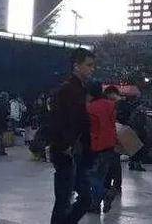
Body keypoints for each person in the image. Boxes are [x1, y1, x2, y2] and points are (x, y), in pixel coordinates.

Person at [48, 48, 95, 224]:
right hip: (66, 151)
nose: (92, 69)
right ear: (76, 66)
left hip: (77, 152)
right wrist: (64, 145)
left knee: (81, 199)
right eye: (89, 65)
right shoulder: (67, 90)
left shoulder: (80, 90)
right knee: (64, 200)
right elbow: (58, 120)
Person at [86, 81, 118, 215]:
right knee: (101, 176)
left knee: (90, 175)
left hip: (97, 145)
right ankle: (95, 205)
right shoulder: (111, 105)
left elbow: (91, 129)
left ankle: (106, 193)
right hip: (110, 144)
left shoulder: (90, 108)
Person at [103, 86, 124, 197]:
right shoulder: (117, 105)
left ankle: (111, 185)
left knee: (112, 162)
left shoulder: (117, 105)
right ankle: (114, 185)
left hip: (112, 137)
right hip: (113, 137)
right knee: (113, 162)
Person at [127, 95, 148, 171]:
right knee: (139, 149)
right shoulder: (140, 112)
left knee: (133, 148)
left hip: (133, 131)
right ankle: (137, 164)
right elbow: (140, 123)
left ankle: (132, 163)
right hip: (139, 132)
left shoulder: (134, 110)